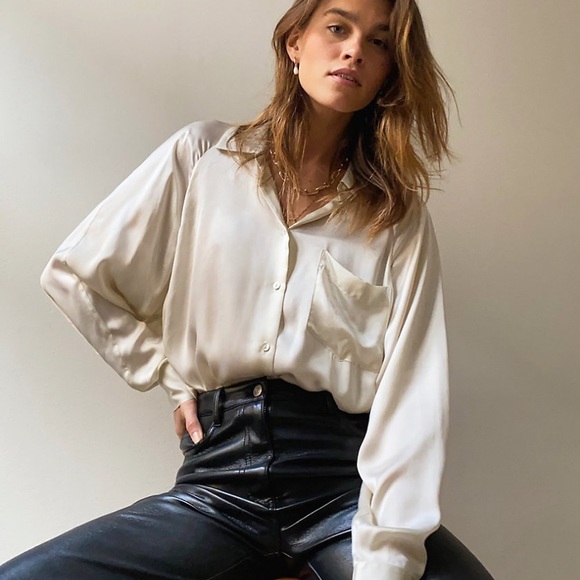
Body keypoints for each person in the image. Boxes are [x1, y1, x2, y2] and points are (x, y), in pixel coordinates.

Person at [0, 0, 454, 578]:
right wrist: (165, 372)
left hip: (342, 490)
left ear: (391, 69)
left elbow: (414, 392)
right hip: (217, 484)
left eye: (380, 42)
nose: (354, 51)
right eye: (338, 27)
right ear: (295, 42)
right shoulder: (202, 158)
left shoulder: (394, 215)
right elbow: (76, 274)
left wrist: (387, 554)